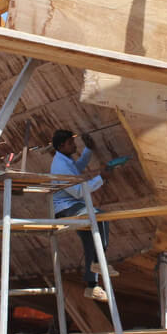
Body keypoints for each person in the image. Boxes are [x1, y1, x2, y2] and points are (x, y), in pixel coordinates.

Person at [50, 129, 117, 302]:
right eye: (71, 143)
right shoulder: (60, 166)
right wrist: (101, 177)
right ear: (61, 145)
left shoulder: (64, 160)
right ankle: (98, 261)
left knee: (89, 240)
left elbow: (77, 168)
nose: (74, 145)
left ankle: (91, 286)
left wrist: (88, 149)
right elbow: (79, 191)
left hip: (73, 205)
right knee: (100, 217)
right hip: (67, 208)